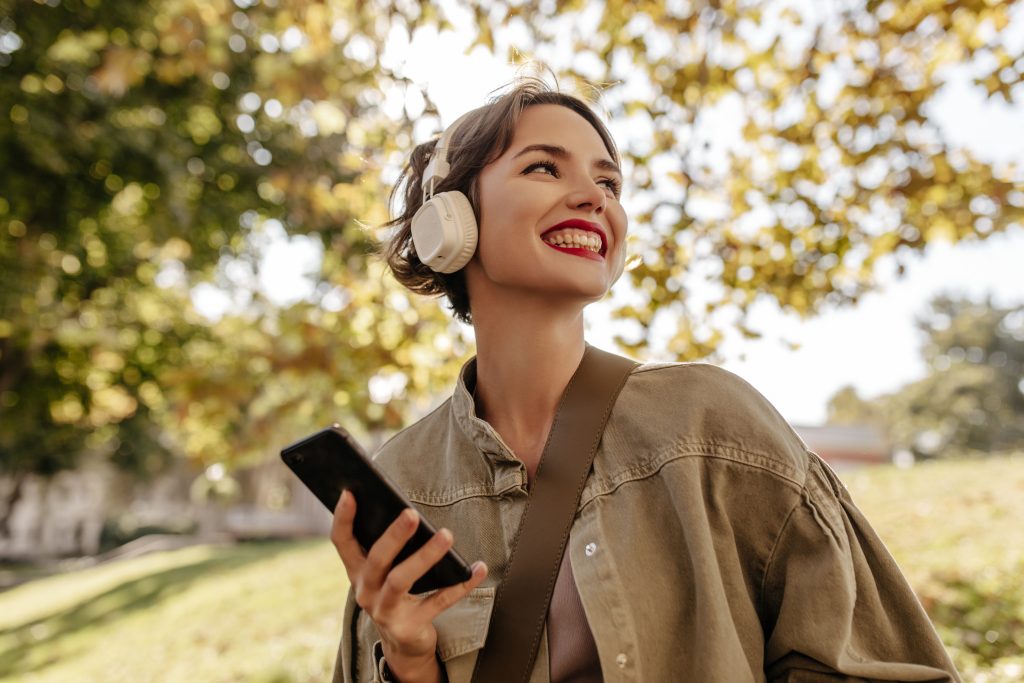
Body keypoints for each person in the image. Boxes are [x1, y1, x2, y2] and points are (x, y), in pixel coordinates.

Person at [328, 78, 960, 683]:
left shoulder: (712, 422)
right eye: (544, 167)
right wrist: (410, 665)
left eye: (609, 181)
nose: (594, 197)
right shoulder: (401, 480)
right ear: (450, 221)